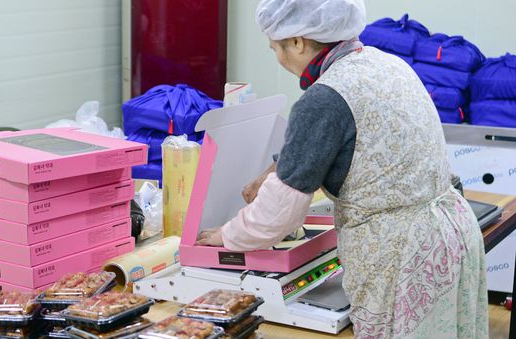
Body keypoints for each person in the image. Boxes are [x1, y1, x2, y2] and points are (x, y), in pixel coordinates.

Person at [196, 0, 489, 337]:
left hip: (401, 257)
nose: (278, 58)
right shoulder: (388, 64)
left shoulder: (324, 97)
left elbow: (277, 217)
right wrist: (280, 169)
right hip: (451, 234)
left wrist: (224, 235)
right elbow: (361, 145)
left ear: (298, 42)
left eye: (275, 48)